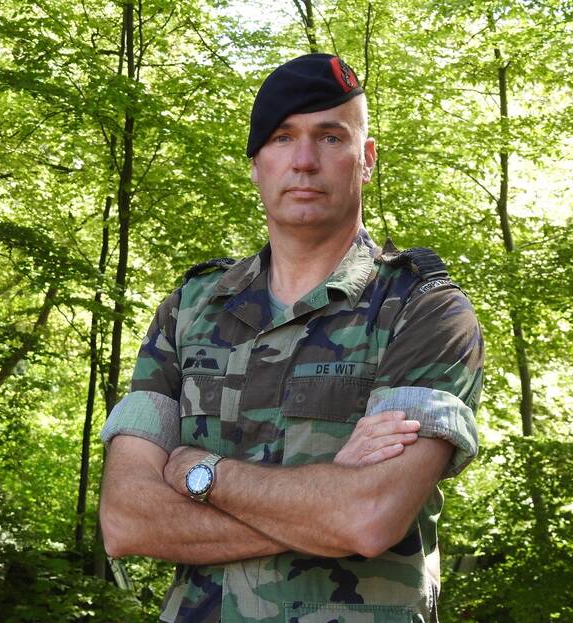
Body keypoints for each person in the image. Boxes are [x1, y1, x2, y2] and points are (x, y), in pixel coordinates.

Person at [99, 53, 484, 623]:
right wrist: (326, 504)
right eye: (282, 138)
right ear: (256, 164)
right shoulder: (191, 308)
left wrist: (199, 472)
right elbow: (127, 520)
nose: (304, 161)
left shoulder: (424, 310)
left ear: (366, 159)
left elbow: (369, 518)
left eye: (330, 137)